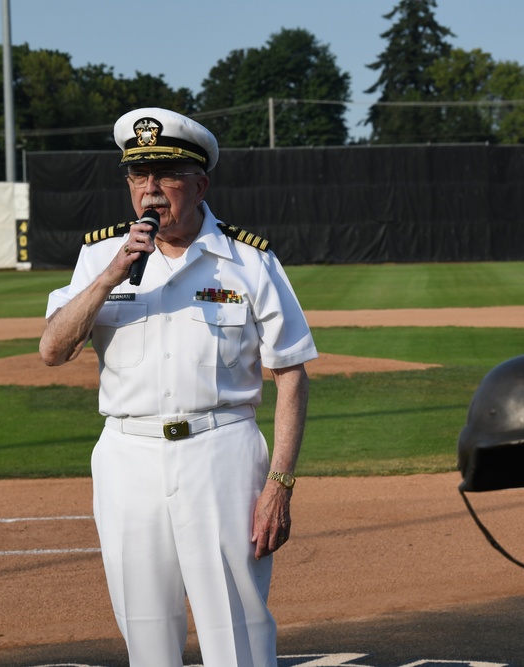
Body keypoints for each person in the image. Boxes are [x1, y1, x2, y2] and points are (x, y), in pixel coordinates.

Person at [39, 107, 317, 667]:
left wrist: (279, 485)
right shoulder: (100, 256)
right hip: (127, 457)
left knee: (237, 632)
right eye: (138, 177)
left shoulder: (249, 261)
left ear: (199, 184)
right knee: (145, 632)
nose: (150, 191)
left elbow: (291, 374)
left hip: (222, 455)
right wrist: (110, 276)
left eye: (165, 176)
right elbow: (52, 350)